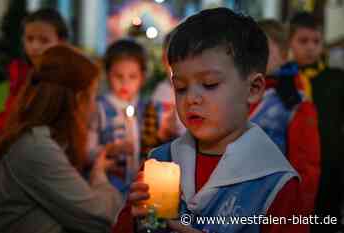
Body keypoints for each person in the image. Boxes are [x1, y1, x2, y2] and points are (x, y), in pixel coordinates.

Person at [114, 7, 306, 233]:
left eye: (210, 84)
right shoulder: (161, 161)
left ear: (253, 89)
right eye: (181, 88)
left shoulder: (274, 182)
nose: (191, 99)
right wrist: (136, 220)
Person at [0, 45, 123, 233]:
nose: (94, 108)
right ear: (78, 100)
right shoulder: (36, 147)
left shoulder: (40, 140)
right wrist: (99, 176)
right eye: (92, 97)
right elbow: (99, 217)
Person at [250, 19, 320, 217]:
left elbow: (306, 170)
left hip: (277, 209)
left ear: (283, 54)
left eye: (263, 50)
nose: (253, 57)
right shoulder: (238, 95)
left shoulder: (295, 102)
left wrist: (296, 218)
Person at [289, 12, 344, 233]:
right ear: (290, 42)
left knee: (327, 222)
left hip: (331, 167)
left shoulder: (337, 79)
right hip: (293, 168)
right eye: (303, 41)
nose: (310, 47)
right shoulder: (283, 80)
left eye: (316, 41)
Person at [0, 8, 68, 136]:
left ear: (61, 42)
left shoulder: (67, 81)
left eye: (44, 41)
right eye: (29, 39)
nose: (35, 46)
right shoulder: (15, 73)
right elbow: (0, 112)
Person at [88, 39, 148, 194]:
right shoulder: (99, 108)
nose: (125, 83)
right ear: (107, 75)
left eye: (132, 76)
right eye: (118, 76)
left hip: (140, 188)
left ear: (142, 77)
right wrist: (110, 149)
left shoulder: (147, 109)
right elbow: (86, 152)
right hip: (108, 188)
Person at [141, 31, 185, 156]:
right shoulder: (159, 95)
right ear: (162, 60)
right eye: (168, 60)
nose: (173, 66)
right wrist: (161, 135)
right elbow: (148, 142)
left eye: (179, 59)